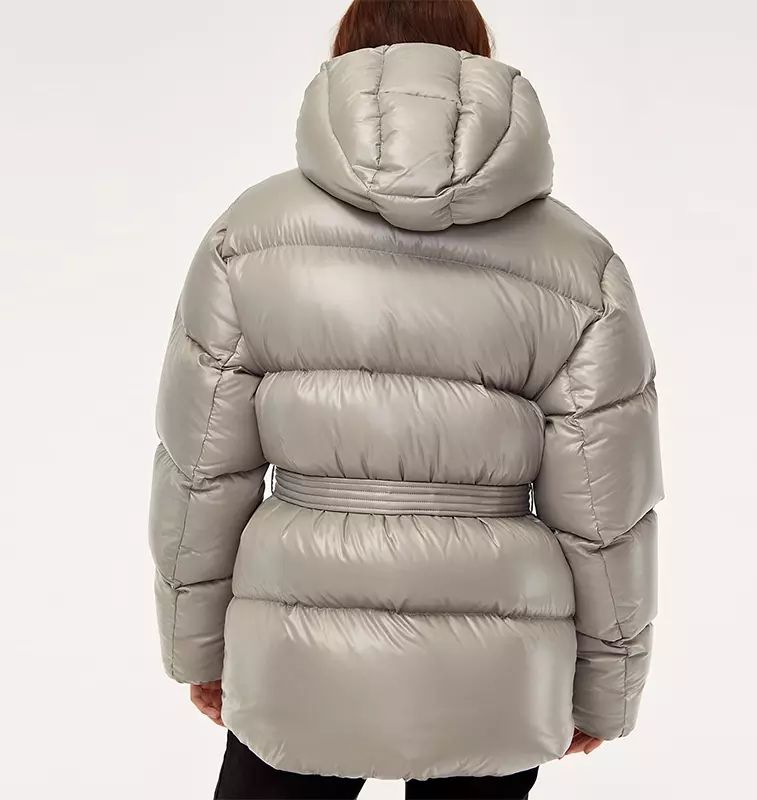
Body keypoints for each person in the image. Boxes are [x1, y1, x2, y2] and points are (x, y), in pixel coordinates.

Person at [148, 1, 663, 797]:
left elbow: (202, 473)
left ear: (344, 57)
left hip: (297, 639)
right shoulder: (580, 265)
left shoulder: (247, 236)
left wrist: (197, 650)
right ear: (480, 59)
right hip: (497, 654)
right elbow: (606, 511)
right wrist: (606, 686)